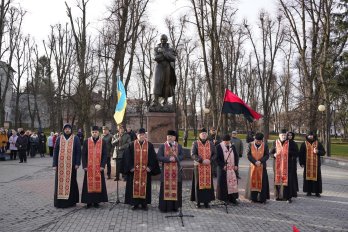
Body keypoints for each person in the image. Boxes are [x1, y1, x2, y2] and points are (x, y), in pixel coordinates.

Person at [123, 128, 160, 210]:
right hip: (134, 171)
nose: (141, 136)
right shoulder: (131, 145)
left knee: (145, 186)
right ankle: (134, 203)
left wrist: (150, 167)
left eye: (143, 135)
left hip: (145, 171)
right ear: (137, 135)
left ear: (145, 135)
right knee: (133, 186)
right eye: (140, 135)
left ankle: (144, 204)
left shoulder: (149, 145)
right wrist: (130, 167)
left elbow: (153, 158)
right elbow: (127, 157)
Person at [53, 124, 81, 208]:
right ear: (63, 130)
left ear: (71, 130)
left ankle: (71, 202)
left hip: (71, 165)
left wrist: (77, 163)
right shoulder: (59, 138)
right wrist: (54, 164)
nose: (67, 130)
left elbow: (78, 151)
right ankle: (60, 202)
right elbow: (55, 152)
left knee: (72, 183)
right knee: (59, 183)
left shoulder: (75, 138)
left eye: (69, 128)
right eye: (66, 129)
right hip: (60, 165)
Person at [81, 126, 108, 208]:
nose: (94, 133)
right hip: (89, 168)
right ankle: (88, 202)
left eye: (96, 132)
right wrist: (85, 165)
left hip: (98, 168)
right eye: (93, 132)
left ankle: (96, 201)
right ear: (91, 133)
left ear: (98, 133)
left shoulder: (102, 142)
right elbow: (83, 154)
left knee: (98, 183)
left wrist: (103, 165)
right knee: (88, 184)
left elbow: (105, 154)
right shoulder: (87, 141)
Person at [157, 130, 184, 212]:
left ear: (175, 138)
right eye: (168, 136)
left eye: (171, 136)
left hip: (176, 172)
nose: (169, 138)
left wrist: (175, 158)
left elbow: (182, 156)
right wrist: (168, 159)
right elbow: (159, 157)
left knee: (176, 188)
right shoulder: (163, 146)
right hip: (166, 173)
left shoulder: (178, 146)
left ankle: (175, 207)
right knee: (165, 188)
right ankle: (164, 207)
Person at [270, 129, 298, 203]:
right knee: (277, 180)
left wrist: (288, 152)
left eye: (285, 135)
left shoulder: (290, 143)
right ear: (279, 135)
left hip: (288, 166)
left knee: (287, 181)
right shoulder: (275, 142)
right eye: (282, 135)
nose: (284, 136)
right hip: (277, 165)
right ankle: (277, 196)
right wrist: (274, 155)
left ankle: (288, 197)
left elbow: (296, 153)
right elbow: (270, 153)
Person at [190, 128, 216, 208]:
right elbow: (193, 154)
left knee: (208, 185)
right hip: (198, 167)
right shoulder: (195, 143)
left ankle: (206, 202)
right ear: (199, 135)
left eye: (205, 133)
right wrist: (201, 160)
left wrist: (210, 160)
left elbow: (215, 154)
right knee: (198, 184)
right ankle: (198, 202)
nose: (204, 135)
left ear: (207, 135)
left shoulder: (211, 143)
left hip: (208, 166)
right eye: (202, 134)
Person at [151, 34, 177, 106]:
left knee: (167, 84)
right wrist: (167, 56)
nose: (163, 40)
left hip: (167, 68)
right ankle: (155, 101)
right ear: (160, 40)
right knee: (157, 82)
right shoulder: (156, 48)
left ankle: (165, 101)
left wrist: (163, 52)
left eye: (164, 39)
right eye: (161, 39)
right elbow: (156, 58)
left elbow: (173, 58)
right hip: (159, 67)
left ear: (167, 40)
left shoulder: (171, 49)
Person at [245, 132, 270, 203]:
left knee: (263, 183)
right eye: (257, 141)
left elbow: (267, 155)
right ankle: (253, 198)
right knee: (252, 182)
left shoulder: (265, 145)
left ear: (262, 140)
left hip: (262, 166)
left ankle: (262, 198)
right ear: (255, 139)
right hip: (253, 166)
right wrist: (255, 162)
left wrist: (260, 161)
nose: (258, 142)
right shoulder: (250, 144)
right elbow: (248, 154)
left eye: (260, 141)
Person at [214, 134, 239, 204]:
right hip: (222, 169)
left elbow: (236, 156)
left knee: (233, 183)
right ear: (222, 141)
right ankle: (224, 198)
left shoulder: (232, 146)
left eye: (228, 141)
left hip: (232, 168)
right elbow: (216, 158)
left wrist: (236, 165)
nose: (227, 143)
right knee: (224, 184)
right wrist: (222, 166)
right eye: (225, 141)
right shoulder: (218, 147)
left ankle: (233, 198)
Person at [299, 131, 325, 197]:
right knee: (308, 179)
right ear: (307, 136)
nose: (310, 136)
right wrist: (301, 163)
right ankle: (308, 191)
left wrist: (318, 151)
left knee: (317, 179)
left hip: (316, 165)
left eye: (311, 135)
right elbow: (301, 154)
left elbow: (323, 152)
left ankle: (317, 192)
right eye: (309, 135)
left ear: (313, 136)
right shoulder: (304, 144)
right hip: (307, 164)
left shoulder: (318, 143)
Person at [287, 131, 299, 197]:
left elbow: (297, 153)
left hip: (292, 162)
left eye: (291, 135)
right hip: (286, 162)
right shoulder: (285, 143)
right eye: (288, 135)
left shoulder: (294, 143)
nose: (289, 136)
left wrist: (290, 153)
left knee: (293, 176)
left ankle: (294, 191)